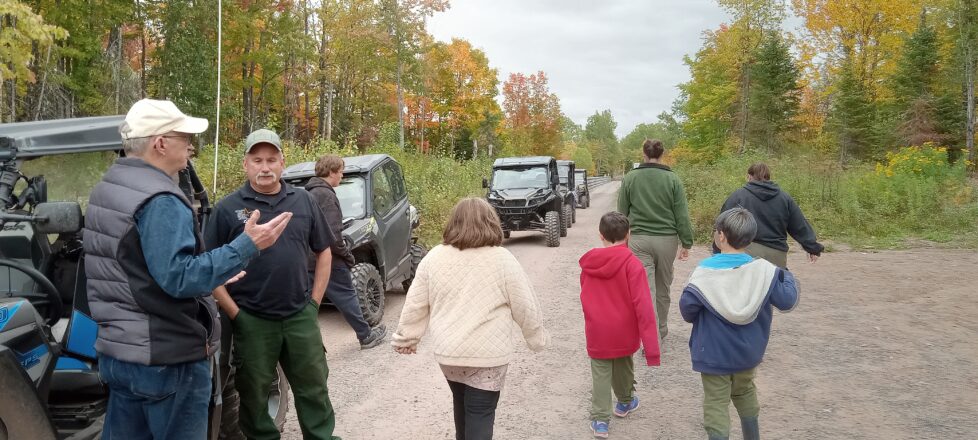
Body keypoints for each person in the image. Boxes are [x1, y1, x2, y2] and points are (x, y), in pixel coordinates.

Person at [84, 99, 292, 439]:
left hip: (120, 354)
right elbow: (179, 278)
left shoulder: (108, 188)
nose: (190, 145)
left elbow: (135, 269)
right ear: (160, 143)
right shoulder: (160, 199)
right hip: (167, 359)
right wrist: (246, 246)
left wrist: (217, 270)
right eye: (184, 137)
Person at [205, 129, 340, 440]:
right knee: (253, 396)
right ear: (245, 164)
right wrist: (236, 314)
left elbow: (324, 251)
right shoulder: (227, 209)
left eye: (271, 160)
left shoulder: (303, 200)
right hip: (252, 319)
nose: (264, 167)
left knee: (314, 389)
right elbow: (208, 268)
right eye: (257, 160)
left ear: (282, 163)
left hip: (300, 316)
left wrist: (315, 304)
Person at [392, 198, 550, 440]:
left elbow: (415, 303)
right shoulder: (502, 259)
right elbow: (525, 305)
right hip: (488, 355)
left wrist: (406, 338)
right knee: (480, 412)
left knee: (462, 404)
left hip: (450, 354)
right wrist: (536, 338)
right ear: (491, 223)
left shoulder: (434, 257)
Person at [679, 208, 800, 440]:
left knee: (716, 403)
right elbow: (787, 300)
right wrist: (788, 275)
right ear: (750, 238)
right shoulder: (764, 271)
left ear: (721, 236)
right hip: (748, 352)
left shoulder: (704, 273)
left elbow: (687, 310)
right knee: (744, 392)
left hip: (713, 353)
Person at [579, 212, 661, 439]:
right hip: (625, 328)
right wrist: (652, 350)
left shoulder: (588, 264)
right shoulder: (632, 264)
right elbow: (644, 306)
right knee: (624, 363)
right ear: (628, 235)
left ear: (600, 235)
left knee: (601, 372)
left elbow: (585, 294)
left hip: (598, 328)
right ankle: (624, 402)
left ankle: (600, 421)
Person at [305, 154, 387, 349]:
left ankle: (305, 344)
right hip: (329, 259)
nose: (342, 176)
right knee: (347, 296)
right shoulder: (326, 196)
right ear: (331, 172)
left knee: (306, 303)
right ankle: (366, 336)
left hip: (307, 259)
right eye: (341, 171)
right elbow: (333, 234)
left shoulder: (307, 193)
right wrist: (347, 255)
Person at [617, 139, 694, 340]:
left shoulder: (631, 178)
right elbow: (682, 214)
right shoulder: (673, 180)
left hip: (639, 240)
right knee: (663, 287)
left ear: (643, 153)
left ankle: (648, 335)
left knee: (644, 288)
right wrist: (686, 242)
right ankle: (660, 329)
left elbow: (622, 212)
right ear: (662, 154)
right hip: (667, 240)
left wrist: (621, 240)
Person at [718, 163, 823, 268]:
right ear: (768, 177)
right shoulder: (784, 198)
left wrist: (718, 250)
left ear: (749, 176)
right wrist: (812, 247)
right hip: (777, 254)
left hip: (747, 252)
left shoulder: (738, 196)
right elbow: (799, 225)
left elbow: (722, 224)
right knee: (775, 283)